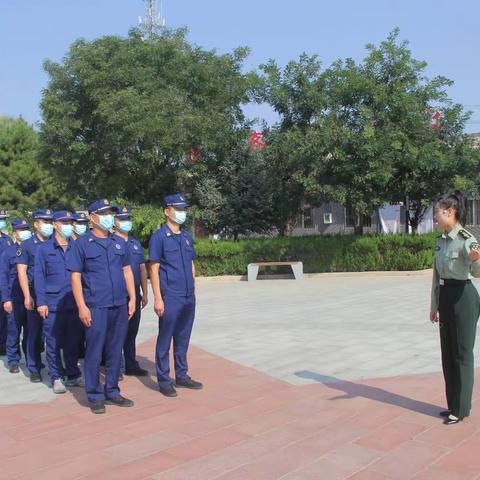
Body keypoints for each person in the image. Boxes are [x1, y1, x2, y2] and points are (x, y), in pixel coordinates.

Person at [67, 199, 136, 414]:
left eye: (110, 213)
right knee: (95, 352)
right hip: (96, 306)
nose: (108, 217)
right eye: (104, 213)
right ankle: (95, 395)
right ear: (92, 217)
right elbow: (75, 277)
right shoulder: (82, 244)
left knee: (115, 351)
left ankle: (112, 390)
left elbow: (127, 271)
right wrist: (81, 306)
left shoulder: (118, 242)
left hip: (119, 305)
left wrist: (132, 298)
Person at [430, 191, 480, 425]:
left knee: (462, 354)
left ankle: (461, 409)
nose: (435, 218)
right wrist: (434, 306)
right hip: (446, 297)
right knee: (447, 354)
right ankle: (452, 405)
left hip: (464, 297)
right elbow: (436, 276)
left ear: (450, 212)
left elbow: (477, 272)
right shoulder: (440, 241)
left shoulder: (466, 238)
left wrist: (476, 259)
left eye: (437, 213)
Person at [148, 193, 202, 397]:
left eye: (184, 209)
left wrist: (193, 288)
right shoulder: (159, 237)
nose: (182, 213)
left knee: (183, 337)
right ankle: (163, 380)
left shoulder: (186, 236)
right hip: (170, 295)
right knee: (165, 338)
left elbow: (191, 264)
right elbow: (154, 269)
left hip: (188, 296)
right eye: (178, 209)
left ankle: (182, 375)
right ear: (166, 212)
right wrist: (158, 298)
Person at [35, 211, 84, 394]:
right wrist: (41, 302)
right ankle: (56, 376)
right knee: (53, 342)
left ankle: (73, 374)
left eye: (70, 222)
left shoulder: (77, 246)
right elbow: (39, 277)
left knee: (73, 341)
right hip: (53, 303)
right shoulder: (44, 249)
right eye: (65, 222)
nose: (69, 225)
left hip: (73, 301)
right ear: (56, 224)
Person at [17, 209, 54, 382]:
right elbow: (22, 272)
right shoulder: (27, 245)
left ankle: (53, 365)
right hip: (34, 293)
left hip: (53, 293)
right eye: (44, 221)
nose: (48, 224)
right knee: (34, 331)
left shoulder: (55, 241)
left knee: (51, 333)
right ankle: (34, 367)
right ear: (36, 224)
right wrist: (27, 296)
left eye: (50, 221)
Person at [112, 207, 149, 376]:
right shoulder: (111, 242)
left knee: (132, 331)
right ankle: (115, 366)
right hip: (118, 293)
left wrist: (145, 293)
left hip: (134, 291)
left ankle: (131, 364)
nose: (126, 222)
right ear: (115, 221)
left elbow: (142, 269)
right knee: (117, 332)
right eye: (122, 219)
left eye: (128, 219)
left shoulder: (135, 243)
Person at [0, 218, 32, 374]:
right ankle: (13, 360)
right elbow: (3, 277)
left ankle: (32, 358)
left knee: (31, 331)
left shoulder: (32, 249)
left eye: (26, 228)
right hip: (14, 298)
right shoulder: (8, 252)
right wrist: (5, 299)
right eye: (21, 229)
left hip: (30, 297)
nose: (24, 232)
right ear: (14, 233)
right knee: (13, 331)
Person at [0, 209, 12, 356]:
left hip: (4, 283)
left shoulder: (7, 239)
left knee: (4, 317)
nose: (2, 221)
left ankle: (2, 345)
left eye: (3, 219)